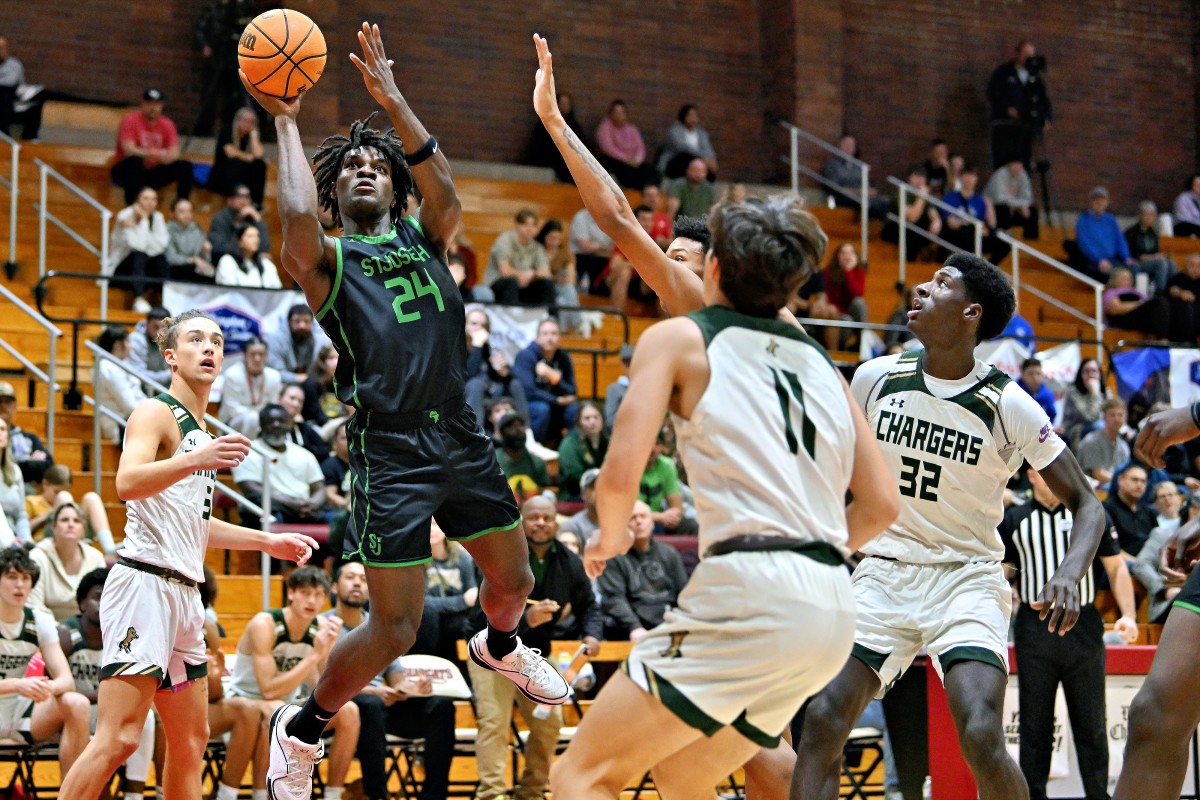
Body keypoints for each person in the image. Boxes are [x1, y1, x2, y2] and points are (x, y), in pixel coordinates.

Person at [535, 38, 902, 799]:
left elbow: (615, 219)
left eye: (684, 253)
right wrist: (815, 556)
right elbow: (884, 505)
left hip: (753, 582)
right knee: (688, 771)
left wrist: (606, 537)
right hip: (833, 600)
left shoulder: (687, 332)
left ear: (713, 268)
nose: (668, 261)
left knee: (583, 774)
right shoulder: (825, 367)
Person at [240, 24, 569, 799]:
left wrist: (395, 104)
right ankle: (305, 727)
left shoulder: (428, 237)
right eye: (348, 167)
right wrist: (285, 119)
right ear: (334, 193)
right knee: (393, 629)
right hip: (389, 448)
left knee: (515, 578)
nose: (361, 170)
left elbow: (448, 192)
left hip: (457, 428)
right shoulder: (329, 264)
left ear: (394, 187)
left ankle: (499, 645)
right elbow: (292, 231)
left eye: (374, 165)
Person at [766, 252, 1107, 800]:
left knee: (978, 732)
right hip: (883, 572)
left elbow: (1089, 504)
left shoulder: (1007, 403)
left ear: (970, 313)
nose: (922, 288)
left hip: (966, 578)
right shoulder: (877, 377)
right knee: (825, 715)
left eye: (941, 283)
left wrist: (1069, 572)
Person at [54, 309, 317, 800]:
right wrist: (196, 458)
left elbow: (194, 523)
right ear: (171, 356)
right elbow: (126, 483)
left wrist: (266, 541)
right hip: (143, 585)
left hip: (185, 593)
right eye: (196, 339)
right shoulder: (154, 412)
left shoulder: (203, 431)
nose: (209, 347)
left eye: (216, 341)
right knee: (119, 738)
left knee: (192, 741)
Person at [1001, 465, 1138, 800]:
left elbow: (1116, 565)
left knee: (1091, 724)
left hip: (1083, 626)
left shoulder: (1087, 515)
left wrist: (1130, 616)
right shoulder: (1014, 518)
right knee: (1035, 726)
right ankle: (1034, 796)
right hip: (1034, 630)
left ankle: (1098, 796)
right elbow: (1004, 569)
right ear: (1031, 477)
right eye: (1042, 471)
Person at [468, 493, 602, 800]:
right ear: (521, 520)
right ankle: (492, 794)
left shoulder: (569, 562)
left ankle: (530, 792)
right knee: (494, 723)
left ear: (556, 521)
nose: (541, 523)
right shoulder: (500, 555)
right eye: (533, 517)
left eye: (547, 518)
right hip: (490, 651)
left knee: (550, 722)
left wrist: (592, 635)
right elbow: (478, 614)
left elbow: (590, 606)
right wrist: (525, 619)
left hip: (534, 655)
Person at [327, 560, 458, 800]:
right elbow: (322, 684)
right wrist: (373, 693)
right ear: (334, 587)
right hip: (340, 710)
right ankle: (377, 794)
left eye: (364, 579)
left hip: (380, 710)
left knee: (441, 707)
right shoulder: (324, 627)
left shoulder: (381, 628)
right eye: (350, 577)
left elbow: (397, 680)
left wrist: (412, 688)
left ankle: (434, 796)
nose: (357, 582)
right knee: (370, 705)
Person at [227, 566, 359, 800]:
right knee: (274, 710)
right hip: (245, 699)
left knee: (349, 710)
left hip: (283, 703)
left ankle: (332, 794)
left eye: (318, 595)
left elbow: (322, 690)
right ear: (291, 593)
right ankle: (263, 794)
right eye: (305, 593)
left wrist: (327, 652)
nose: (312, 600)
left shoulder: (320, 628)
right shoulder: (265, 624)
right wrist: (313, 656)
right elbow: (267, 690)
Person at [58, 568, 157, 800]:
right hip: (75, 714)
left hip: (105, 710)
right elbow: (58, 689)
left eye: (111, 596)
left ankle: (135, 794)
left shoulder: (125, 637)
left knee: (148, 717)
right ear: (82, 603)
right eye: (98, 596)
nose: (105, 603)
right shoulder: (65, 634)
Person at [0, 546, 91, 783]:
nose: (19, 585)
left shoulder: (39, 620)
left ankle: (71, 794)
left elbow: (66, 680)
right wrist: (16, 684)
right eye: (11, 577)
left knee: (77, 703)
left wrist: (46, 688)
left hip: (21, 712)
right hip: (9, 696)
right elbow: (18, 685)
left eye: (25, 578)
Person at [597, 500, 688, 641]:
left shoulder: (669, 553)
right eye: (632, 518)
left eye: (643, 516)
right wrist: (634, 627)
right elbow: (614, 599)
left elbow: (684, 593)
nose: (639, 522)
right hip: (633, 626)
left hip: (670, 621)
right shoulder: (613, 557)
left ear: (652, 522)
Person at [233, 403, 326, 529]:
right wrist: (290, 503)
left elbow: (319, 487)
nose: (276, 425)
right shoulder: (248, 452)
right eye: (270, 421)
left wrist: (312, 505)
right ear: (261, 424)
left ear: (289, 424)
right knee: (267, 508)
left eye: (281, 421)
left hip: (305, 509)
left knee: (340, 519)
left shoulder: (304, 454)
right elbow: (251, 489)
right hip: (274, 508)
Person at [111, 89, 194, 206]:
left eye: (157, 104)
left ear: (161, 106)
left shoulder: (168, 124)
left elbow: (174, 153)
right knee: (135, 161)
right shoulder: (130, 120)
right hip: (127, 170)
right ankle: (133, 204)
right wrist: (155, 154)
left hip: (154, 169)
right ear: (142, 104)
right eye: (150, 104)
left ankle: (182, 206)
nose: (153, 108)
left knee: (185, 166)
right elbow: (128, 149)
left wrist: (161, 157)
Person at [28, 501, 107, 622]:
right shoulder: (37, 557)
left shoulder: (96, 558)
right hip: (47, 630)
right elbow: (34, 606)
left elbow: (104, 603)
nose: (70, 524)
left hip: (87, 631)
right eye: (64, 520)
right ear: (53, 527)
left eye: (76, 521)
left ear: (83, 530)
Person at [413, 519, 479, 661]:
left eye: (436, 524)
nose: (431, 529)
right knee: (428, 613)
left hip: (457, 619)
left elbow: (473, 595)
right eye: (425, 525)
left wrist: (466, 601)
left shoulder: (462, 557)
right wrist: (462, 600)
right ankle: (427, 663)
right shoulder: (414, 560)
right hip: (427, 621)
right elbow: (424, 603)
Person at [986, 40, 1052, 170]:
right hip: (1005, 128)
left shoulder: (1035, 77)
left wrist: (1046, 118)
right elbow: (993, 93)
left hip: (1025, 129)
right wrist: (1007, 109)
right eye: (1025, 54)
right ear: (1017, 54)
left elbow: (1043, 99)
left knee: (1023, 164)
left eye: (1030, 55)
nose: (1028, 58)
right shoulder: (1003, 72)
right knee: (1003, 165)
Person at [514, 317, 578, 445]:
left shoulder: (564, 357)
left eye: (554, 334)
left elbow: (572, 391)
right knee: (542, 409)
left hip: (555, 405)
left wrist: (554, 377)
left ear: (560, 337)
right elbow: (527, 391)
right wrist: (556, 400)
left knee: (575, 409)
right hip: (531, 405)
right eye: (545, 333)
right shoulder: (526, 356)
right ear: (537, 337)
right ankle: (535, 449)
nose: (550, 338)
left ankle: (568, 449)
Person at [106, 186, 170, 313]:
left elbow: (162, 245)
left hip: (145, 270)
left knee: (160, 259)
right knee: (139, 255)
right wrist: (145, 220)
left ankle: (167, 300)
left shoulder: (158, 217)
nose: (150, 202)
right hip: (122, 270)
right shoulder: (125, 216)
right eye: (146, 198)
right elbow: (138, 246)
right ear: (137, 201)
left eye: (154, 199)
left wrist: (142, 227)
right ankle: (138, 299)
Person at [484, 208, 556, 305]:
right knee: (511, 282)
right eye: (525, 224)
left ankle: (550, 318)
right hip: (499, 284)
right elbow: (504, 271)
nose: (529, 229)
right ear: (517, 225)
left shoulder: (537, 247)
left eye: (533, 225)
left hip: (524, 286)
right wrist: (522, 274)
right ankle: (511, 317)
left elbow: (546, 273)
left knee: (547, 284)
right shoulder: (504, 240)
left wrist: (533, 274)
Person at [218, 336, 283, 437]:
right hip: (232, 425)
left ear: (266, 356)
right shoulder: (232, 375)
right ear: (244, 355)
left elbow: (272, 406)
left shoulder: (274, 376)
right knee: (252, 418)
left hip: (263, 423)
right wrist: (259, 417)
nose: (257, 359)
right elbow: (233, 410)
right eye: (253, 354)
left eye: (261, 355)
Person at [95, 326, 147, 443]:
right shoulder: (108, 367)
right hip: (119, 425)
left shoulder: (121, 364)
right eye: (128, 341)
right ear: (118, 345)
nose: (131, 347)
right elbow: (128, 404)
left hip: (132, 420)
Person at [209, 106, 268, 205]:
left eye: (251, 122)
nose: (248, 124)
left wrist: (253, 135)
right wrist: (247, 156)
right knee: (236, 162)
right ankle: (236, 200)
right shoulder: (227, 131)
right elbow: (230, 152)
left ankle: (256, 203)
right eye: (245, 120)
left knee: (260, 164)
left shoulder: (251, 136)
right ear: (238, 120)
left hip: (244, 177)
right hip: (223, 176)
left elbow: (258, 155)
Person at [595, 99, 657, 189]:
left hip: (632, 162)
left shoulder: (632, 129)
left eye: (622, 112)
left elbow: (640, 147)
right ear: (610, 114)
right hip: (614, 160)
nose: (619, 115)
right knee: (626, 172)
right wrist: (626, 159)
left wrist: (637, 160)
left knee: (651, 171)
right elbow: (609, 149)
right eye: (616, 112)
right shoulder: (604, 128)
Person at [264, 304, 331, 384]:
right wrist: (303, 379)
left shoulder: (318, 341)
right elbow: (276, 374)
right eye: (297, 321)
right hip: (281, 385)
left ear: (312, 324)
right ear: (289, 323)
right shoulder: (276, 340)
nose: (302, 326)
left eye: (306, 321)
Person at [493, 412, 552, 501]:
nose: (517, 430)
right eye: (511, 426)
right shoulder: (492, 461)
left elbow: (546, 491)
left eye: (520, 425)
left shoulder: (536, 462)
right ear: (501, 433)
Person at [208, 184, 272, 265]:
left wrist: (257, 219)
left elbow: (265, 246)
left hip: (248, 262)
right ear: (230, 200)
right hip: (227, 262)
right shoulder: (220, 218)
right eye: (240, 196)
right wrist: (246, 249)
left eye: (247, 196)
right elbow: (218, 247)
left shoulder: (251, 218)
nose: (244, 200)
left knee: (266, 262)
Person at [1104, 464, 1157, 559]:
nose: (1139, 485)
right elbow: (1108, 548)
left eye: (1143, 481)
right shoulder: (1106, 510)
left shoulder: (1149, 512)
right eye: (1134, 480)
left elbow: (1156, 542)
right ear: (1120, 480)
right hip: (1120, 563)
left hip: (1148, 562)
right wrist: (1138, 564)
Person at [536, 219, 581, 330]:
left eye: (558, 239)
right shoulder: (537, 249)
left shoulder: (565, 252)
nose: (555, 242)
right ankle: (569, 327)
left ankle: (575, 325)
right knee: (560, 300)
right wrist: (555, 278)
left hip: (561, 287)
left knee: (568, 291)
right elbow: (540, 274)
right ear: (544, 236)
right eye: (551, 238)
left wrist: (563, 279)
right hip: (542, 287)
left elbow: (570, 278)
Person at [557, 401, 607, 500]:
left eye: (596, 417)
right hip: (574, 495)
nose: (592, 422)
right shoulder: (569, 444)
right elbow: (575, 475)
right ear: (579, 421)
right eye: (587, 418)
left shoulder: (607, 441)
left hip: (603, 491)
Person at [1076, 397, 1131, 485]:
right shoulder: (1092, 441)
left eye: (1120, 415)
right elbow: (1097, 474)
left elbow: (1125, 473)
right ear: (1104, 417)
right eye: (1112, 415)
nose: (1116, 419)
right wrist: (1123, 481)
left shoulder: (1124, 447)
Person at [1102, 266, 1169, 338]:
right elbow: (1115, 308)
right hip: (1124, 319)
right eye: (1124, 278)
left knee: (1167, 303)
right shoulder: (1111, 292)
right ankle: (1162, 339)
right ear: (1115, 280)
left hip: (1142, 317)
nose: (1128, 281)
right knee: (1159, 304)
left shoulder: (1136, 291)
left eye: (1130, 279)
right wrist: (1139, 304)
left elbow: (1149, 302)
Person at [656, 103, 718, 180]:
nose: (693, 118)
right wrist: (702, 158)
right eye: (690, 115)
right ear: (683, 116)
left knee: (709, 174)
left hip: (698, 163)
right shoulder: (675, 130)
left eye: (695, 115)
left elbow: (708, 149)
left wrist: (712, 161)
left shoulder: (702, 133)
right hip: (676, 163)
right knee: (686, 157)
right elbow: (683, 147)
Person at [0, 36, 44, 141]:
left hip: (13, 99)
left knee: (38, 95)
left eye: (4, 48)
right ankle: (3, 132)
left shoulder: (15, 65)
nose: (2, 51)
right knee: (3, 93)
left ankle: (30, 137)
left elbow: (14, 83)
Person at [1124, 201, 1174, 293]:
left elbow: (1156, 251)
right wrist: (1153, 257)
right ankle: (1160, 292)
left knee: (1170, 263)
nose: (1150, 218)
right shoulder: (1131, 232)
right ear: (1140, 215)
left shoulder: (1152, 232)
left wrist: (1160, 255)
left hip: (1151, 261)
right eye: (1147, 215)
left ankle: (1173, 289)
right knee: (1161, 264)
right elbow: (1133, 255)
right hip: (1138, 263)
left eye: (1152, 215)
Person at [164, 198, 216, 283]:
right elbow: (170, 257)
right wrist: (193, 260)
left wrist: (203, 252)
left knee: (213, 273)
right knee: (185, 270)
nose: (186, 215)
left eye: (189, 211)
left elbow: (206, 260)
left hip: (196, 268)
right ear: (172, 214)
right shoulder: (167, 230)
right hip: (176, 268)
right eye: (182, 211)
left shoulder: (197, 229)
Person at [985, 159, 1039, 240]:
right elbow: (1000, 198)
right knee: (1004, 208)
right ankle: (1003, 233)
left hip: (1015, 209)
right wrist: (1018, 204)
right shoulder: (1000, 175)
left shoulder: (1022, 174)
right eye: (1016, 165)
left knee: (1033, 210)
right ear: (1009, 165)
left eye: (1020, 165)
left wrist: (1020, 205)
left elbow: (1028, 197)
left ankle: (1030, 238)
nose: (1018, 168)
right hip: (994, 209)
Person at [216, 223, 283, 288]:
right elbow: (229, 290)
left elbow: (277, 290)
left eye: (257, 236)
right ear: (239, 241)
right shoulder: (227, 261)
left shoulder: (265, 263)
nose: (255, 240)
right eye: (250, 236)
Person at [1061, 358, 1109, 449]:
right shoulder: (1073, 392)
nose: (1090, 375)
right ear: (1081, 375)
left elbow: (1114, 411)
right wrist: (1094, 394)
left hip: (1100, 429)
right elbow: (1090, 417)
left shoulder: (1106, 392)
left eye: (1094, 371)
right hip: (1076, 431)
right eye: (1086, 372)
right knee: (1100, 426)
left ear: (1099, 374)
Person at [0, 416, 30, 543]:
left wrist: (26, 539)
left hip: (16, 540)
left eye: (2, 429)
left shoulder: (15, 471)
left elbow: (21, 515)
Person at [1167, 253, 1200, 343]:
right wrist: (1180, 293)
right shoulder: (1177, 279)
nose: (1195, 269)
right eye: (1192, 265)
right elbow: (1172, 289)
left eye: (1198, 266)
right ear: (1185, 266)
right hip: (1180, 316)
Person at [1017, 357, 1056, 423]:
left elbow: (1051, 417)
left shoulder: (1047, 395)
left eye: (1038, 373)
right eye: (1030, 374)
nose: (1035, 378)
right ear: (1022, 374)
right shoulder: (1014, 393)